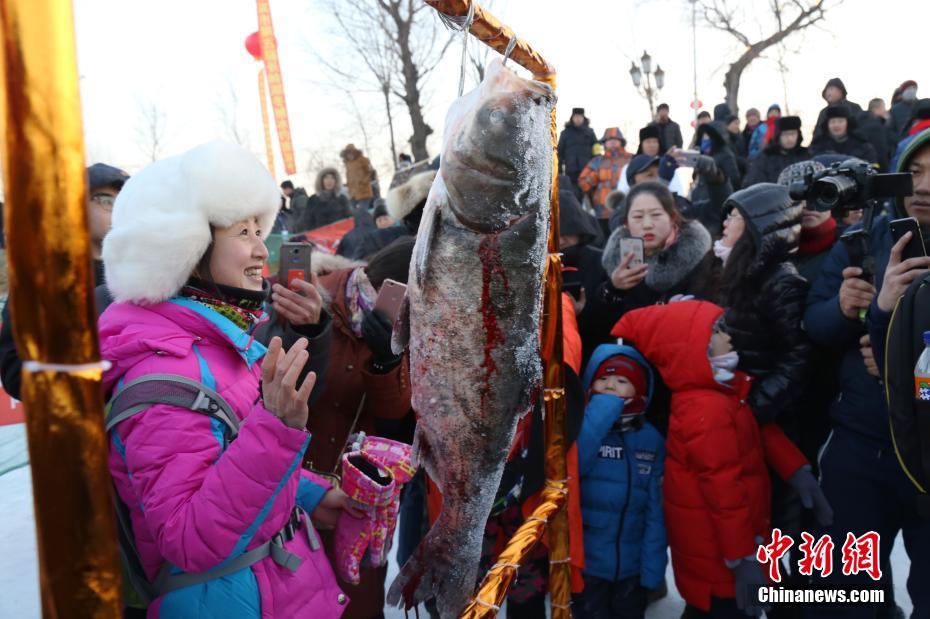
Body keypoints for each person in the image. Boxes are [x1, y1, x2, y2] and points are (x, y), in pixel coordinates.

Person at [98, 141, 350, 617]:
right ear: (187, 249)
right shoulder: (163, 375)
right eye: (243, 232)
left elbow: (226, 460)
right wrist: (277, 427)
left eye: (259, 229)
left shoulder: (217, 343)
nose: (261, 249)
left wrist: (310, 494)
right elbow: (188, 537)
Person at [613, 300, 826, 619]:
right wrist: (741, 560)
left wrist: (797, 470)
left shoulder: (723, 390)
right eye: (717, 332)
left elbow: (756, 428)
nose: (729, 337)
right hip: (721, 559)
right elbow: (723, 491)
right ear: (693, 348)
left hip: (731, 544)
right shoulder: (706, 409)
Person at [804, 128, 930, 617]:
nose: (923, 186)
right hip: (860, 445)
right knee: (845, 596)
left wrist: (892, 348)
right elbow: (814, 326)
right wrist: (841, 307)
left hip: (926, 454)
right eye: (914, 172)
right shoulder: (865, 239)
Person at [313, 236, 415, 619]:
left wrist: (387, 362)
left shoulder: (405, 331)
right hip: (300, 491)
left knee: (359, 601)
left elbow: (393, 417)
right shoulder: (316, 301)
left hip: (361, 497)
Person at [0, 163, 129, 401]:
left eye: (125, 201)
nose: (119, 210)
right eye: (107, 200)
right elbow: (15, 372)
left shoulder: (141, 274)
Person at [576, 344, 666, 619]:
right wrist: (600, 413)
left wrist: (652, 571)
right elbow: (575, 465)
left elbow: (656, 514)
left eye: (622, 380)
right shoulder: (582, 431)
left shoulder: (651, 439)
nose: (610, 386)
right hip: (587, 569)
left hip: (632, 571)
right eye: (603, 378)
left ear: (640, 391)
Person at [588, 182, 716, 353]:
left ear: (672, 218)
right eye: (638, 217)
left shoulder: (699, 257)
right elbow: (597, 329)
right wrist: (613, 289)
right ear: (626, 223)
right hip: (633, 358)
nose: (647, 224)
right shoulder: (616, 260)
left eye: (656, 215)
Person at [578, 127, 633, 219]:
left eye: (616, 139)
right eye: (609, 140)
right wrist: (595, 176)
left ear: (621, 142)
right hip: (602, 213)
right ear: (604, 143)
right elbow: (582, 183)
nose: (612, 142)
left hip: (627, 210)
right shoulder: (596, 161)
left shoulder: (631, 159)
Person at [742, 116, 809, 187]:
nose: (789, 138)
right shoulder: (766, 157)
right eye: (785, 134)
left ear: (798, 134)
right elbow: (755, 184)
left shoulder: (806, 155)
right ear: (778, 135)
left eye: (793, 134)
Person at [809, 104, 878, 165]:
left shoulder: (863, 146)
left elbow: (872, 167)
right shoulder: (817, 146)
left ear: (848, 123)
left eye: (840, 121)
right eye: (832, 122)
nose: (836, 125)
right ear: (827, 125)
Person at [558, 107, 598, 196]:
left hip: (588, 171)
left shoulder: (590, 132)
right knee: (573, 196)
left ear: (583, 118)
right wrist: (559, 170)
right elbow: (559, 153)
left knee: (591, 195)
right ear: (572, 118)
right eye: (576, 117)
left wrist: (597, 166)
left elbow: (597, 150)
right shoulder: (565, 133)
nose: (578, 119)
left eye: (580, 117)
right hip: (571, 172)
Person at [297, 167, 351, 232]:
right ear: (321, 180)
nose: (329, 181)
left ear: (336, 181)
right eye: (326, 178)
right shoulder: (313, 200)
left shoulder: (342, 199)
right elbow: (308, 222)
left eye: (332, 178)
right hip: (320, 236)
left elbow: (349, 219)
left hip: (340, 235)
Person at [858, 98, 897, 171]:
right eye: (883, 107)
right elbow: (881, 151)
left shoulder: (863, 122)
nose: (885, 110)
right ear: (876, 109)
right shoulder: (876, 126)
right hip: (877, 168)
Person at [340, 144, 376, 211]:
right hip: (353, 193)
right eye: (347, 154)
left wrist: (364, 181)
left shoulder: (363, 160)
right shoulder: (348, 164)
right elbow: (349, 176)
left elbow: (370, 172)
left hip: (364, 191)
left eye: (351, 153)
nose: (349, 155)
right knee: (352, 210)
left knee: (362, 211)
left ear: (354, 152)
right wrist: (348, 184)